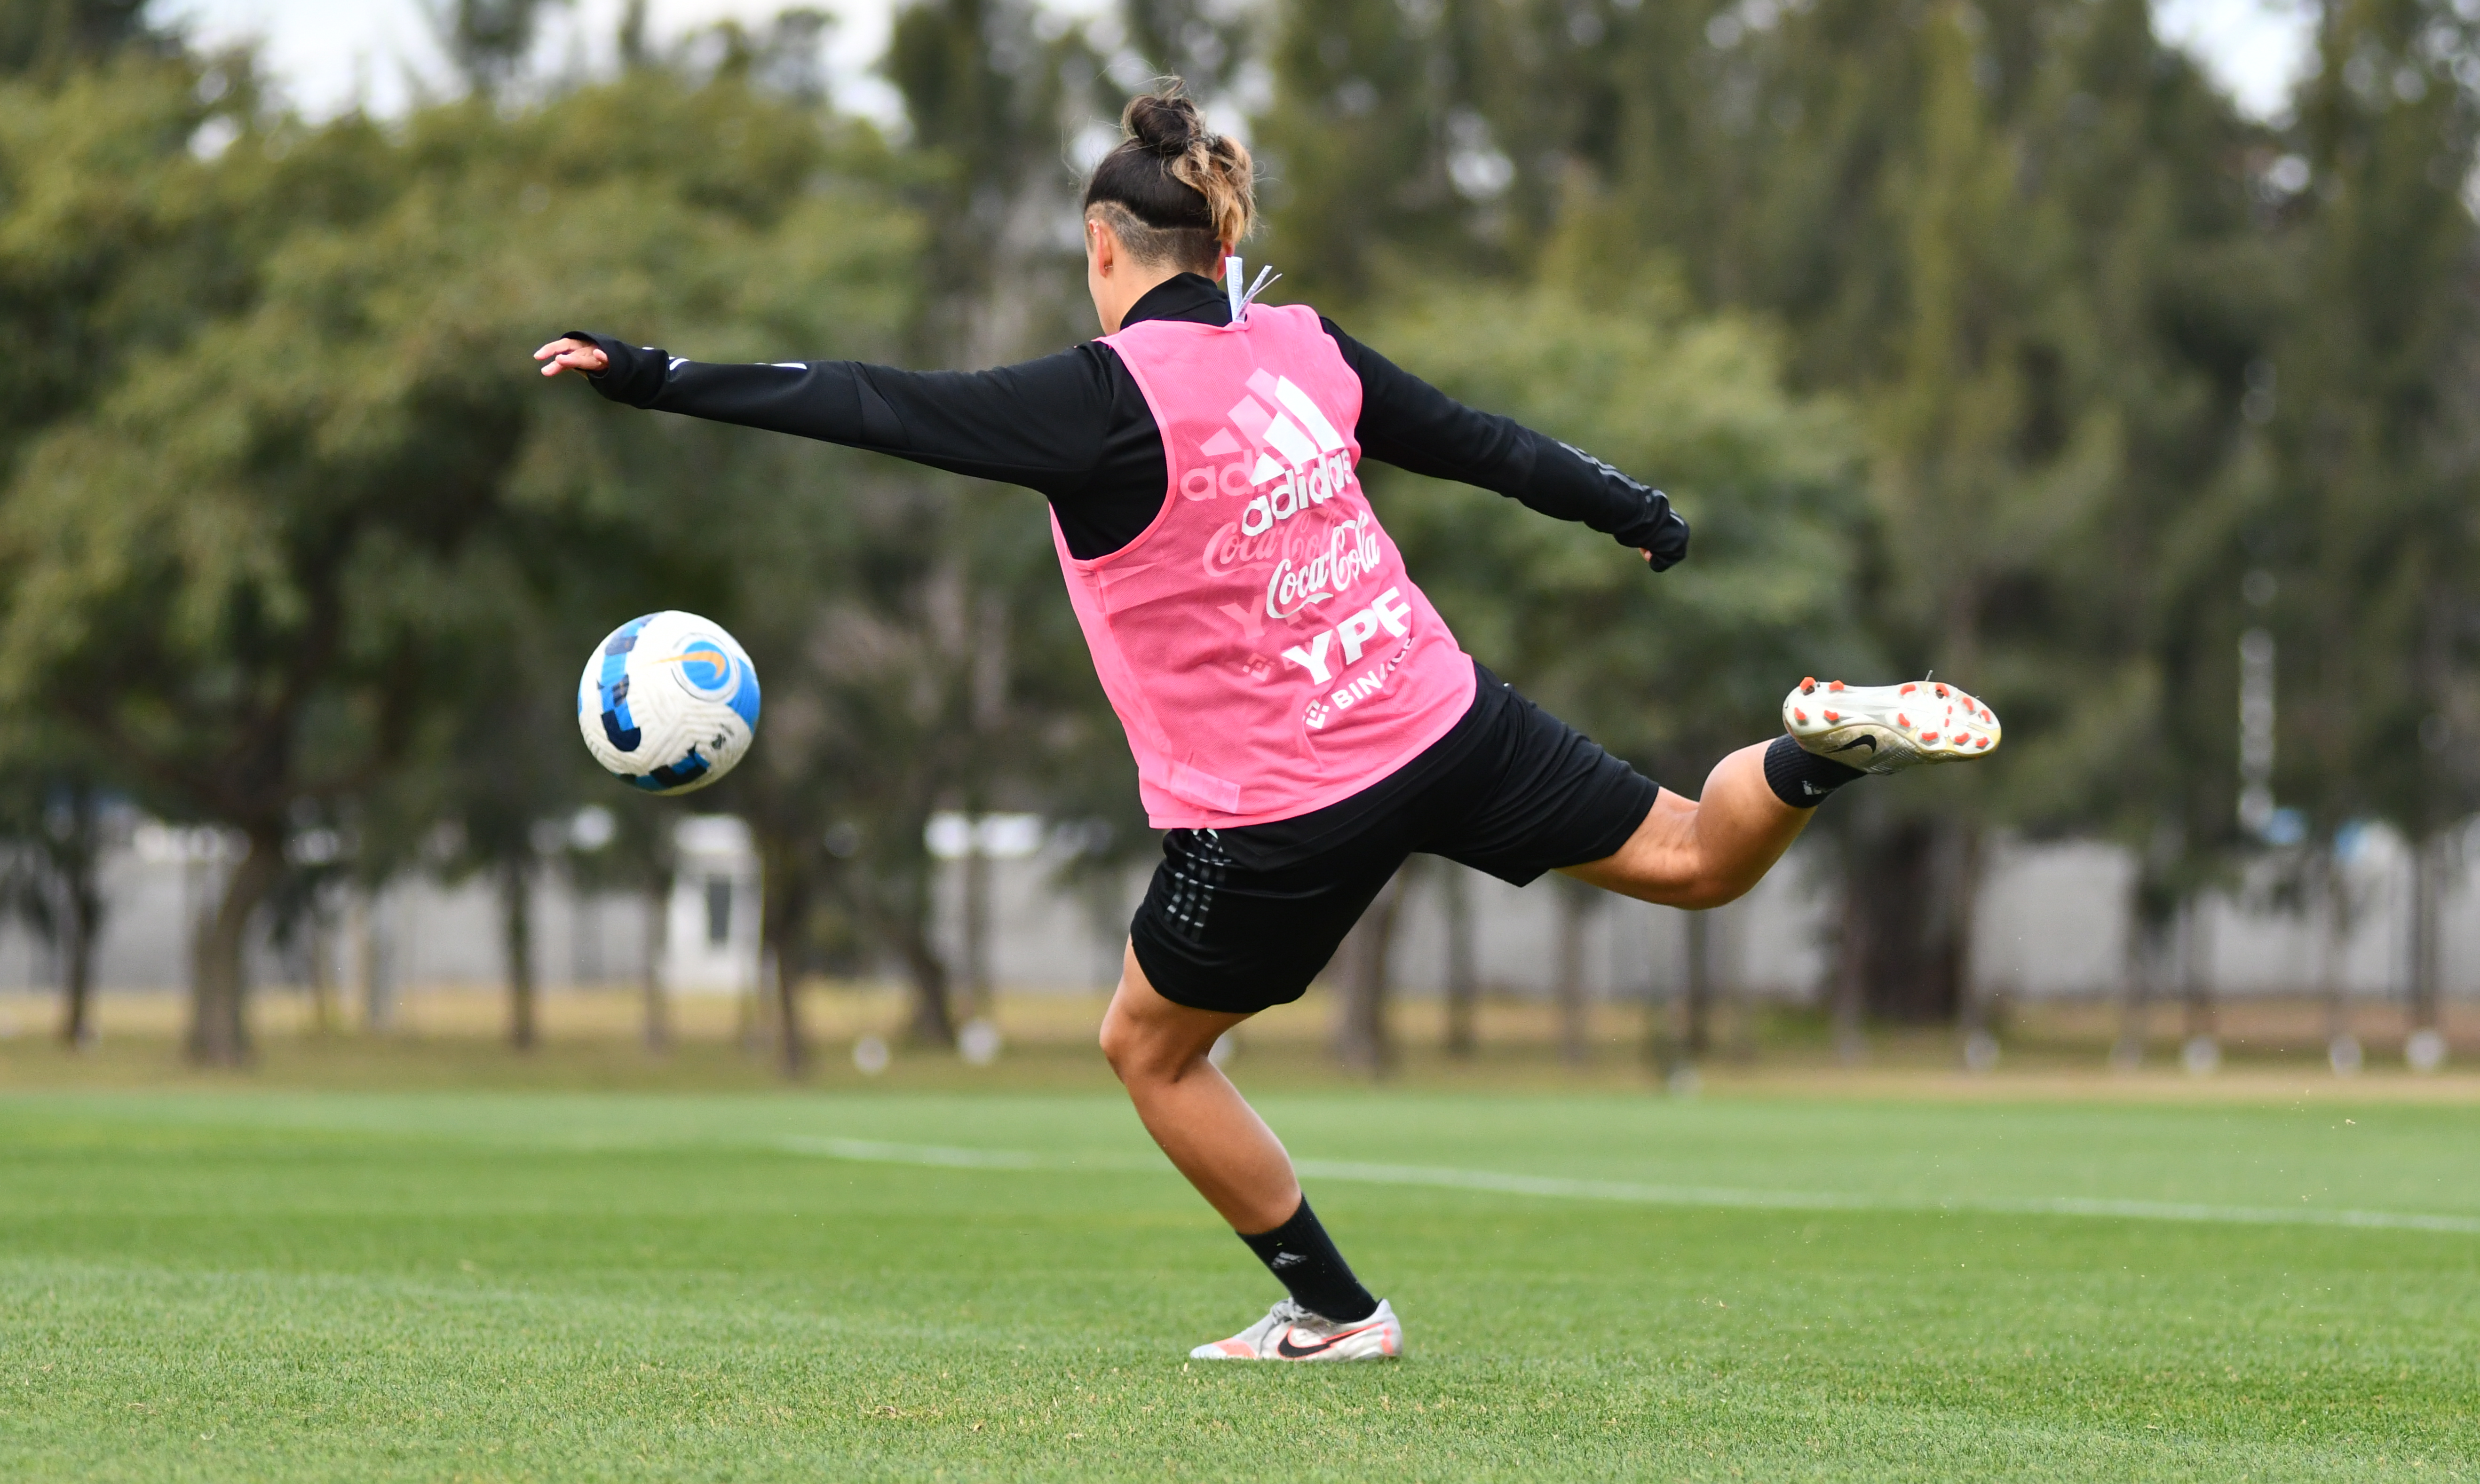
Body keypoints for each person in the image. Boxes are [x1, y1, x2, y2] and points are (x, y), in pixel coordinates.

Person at [534, 87, 2000, 1364]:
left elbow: (867, 400)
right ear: (1223, 246)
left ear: (1103, 251)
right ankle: (1820, 752)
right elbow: (1481, 444)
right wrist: (1635, 508)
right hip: (1442, 714)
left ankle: (1334, 1312)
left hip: (1280, 805)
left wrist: (655, 376)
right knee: (1695, 858)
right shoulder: (1306, 347)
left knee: (1151, 1051)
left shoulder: (1095, 402)